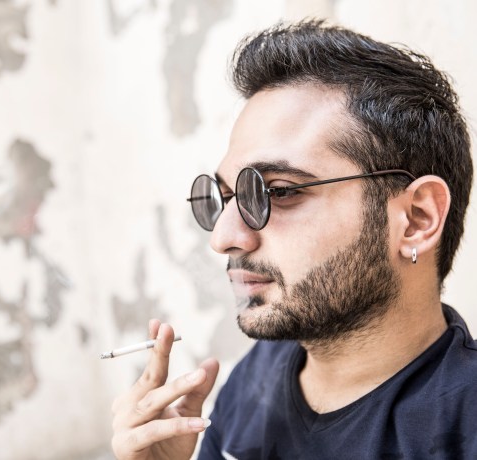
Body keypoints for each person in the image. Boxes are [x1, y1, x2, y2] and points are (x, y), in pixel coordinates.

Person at [110, 20, 476, 459]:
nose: (223, 238)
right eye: (226, 197)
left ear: (416, 219)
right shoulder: (256, 377)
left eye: (279, 192)